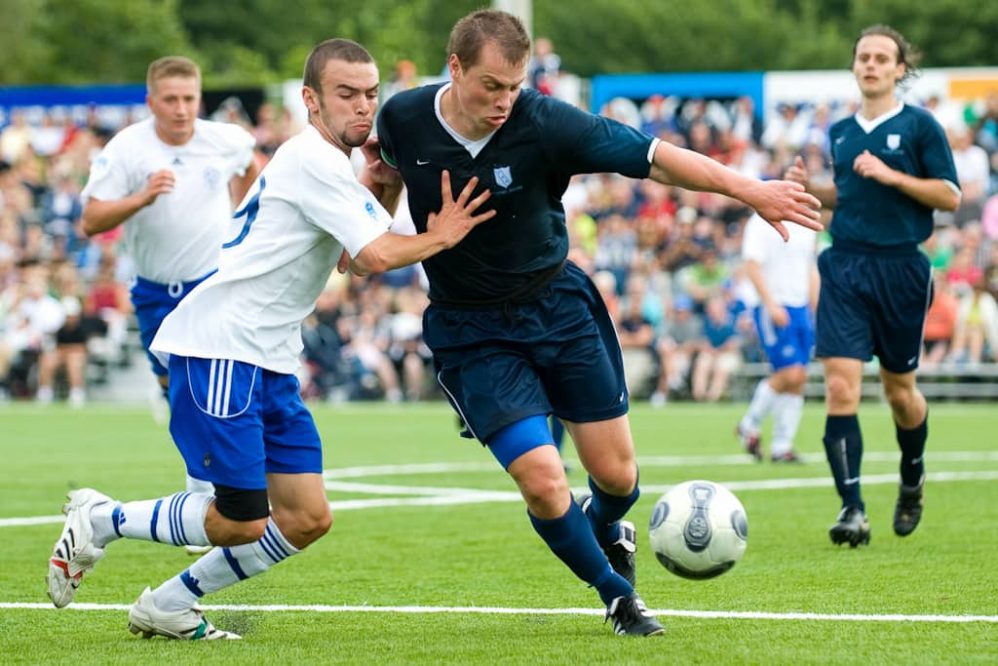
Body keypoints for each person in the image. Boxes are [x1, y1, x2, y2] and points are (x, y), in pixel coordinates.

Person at [376, 9, 821, 636]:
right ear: (455, 68)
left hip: (556, 307)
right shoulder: (402, 117)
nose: (505, 101)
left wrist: (751, 190)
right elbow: (384, 167)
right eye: (491, 86)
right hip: (471, 328)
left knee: (617, 479)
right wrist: (378, 222)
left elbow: (659, 159)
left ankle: (609, 524)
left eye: (515, 86)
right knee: (541, 479)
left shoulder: (547, 121)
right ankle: (618, 596)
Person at [46, 38, 494, 640]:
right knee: (241, 518)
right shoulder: (312, 159)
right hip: (224, 348)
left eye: (370, 94)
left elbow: (351, 260)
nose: (363, 107)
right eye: (345, 94)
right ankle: (101, 518)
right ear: (310, 100)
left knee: (306, 518)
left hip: (269, 356)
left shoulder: (329, 165)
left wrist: (381, 186)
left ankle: (170, 605)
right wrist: (441, 234)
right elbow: (376, 253)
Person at [786, 25, 960, 547]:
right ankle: (852, 509)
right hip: (845, 265)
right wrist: (810, 189)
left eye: (882, 58)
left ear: (899, 69)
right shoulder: (840, 130)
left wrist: (894, 177)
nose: (871, 65)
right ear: (854, 65)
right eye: (863, 57)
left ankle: (912, 474)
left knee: (899, 393)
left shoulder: (920, 126)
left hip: (902, 269)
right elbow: (848, 194)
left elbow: (949, 196)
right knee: (840, 387)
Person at [79, 56, 260, 508]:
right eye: (171, 100)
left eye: (189, 99)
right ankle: (205, 485)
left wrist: (245, 221)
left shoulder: (226, 139)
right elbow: (91, 220)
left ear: (199, 98)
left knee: (198, 389)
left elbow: (250, 169)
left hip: (210, 286)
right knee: (173, 388)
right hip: (155, 292)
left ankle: (204, 494)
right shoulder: (127, 149)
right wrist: (141, 197)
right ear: (151, 101)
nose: (181, 109)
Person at [736, 213, 817, 462]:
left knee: (799, 378)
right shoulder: (759, 221)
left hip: (801, 307)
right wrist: (769, 303)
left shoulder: (807, 223)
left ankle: (782, 446)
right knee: (790, 373)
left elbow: (810, 267)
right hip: (775, 305)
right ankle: (749, 424)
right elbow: (751, 264)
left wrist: (815, 307)